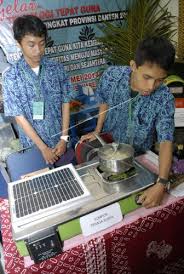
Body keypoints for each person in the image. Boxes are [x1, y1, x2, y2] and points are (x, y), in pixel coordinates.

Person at [80, 36, 176, 208]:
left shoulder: (164, 98)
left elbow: (165, 140)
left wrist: (161, 183)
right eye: (147, 77)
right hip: (110, 149)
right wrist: (97, 130)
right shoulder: (112, 77)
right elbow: (104, 101)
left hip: (139, 157)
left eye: (159, 80)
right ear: (133, 66)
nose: (151, 86)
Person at [3, 15, 74, 166]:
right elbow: (19, 117)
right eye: (31, 45)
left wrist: (64, 138)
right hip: (34, 148)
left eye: (42, 44)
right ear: (18, 44)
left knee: (68, 183)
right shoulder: (11, 77)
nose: (38, 51)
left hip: (60, 144)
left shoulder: (56, 69)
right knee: (41, 186)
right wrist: (43, 148)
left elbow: (66, 103)